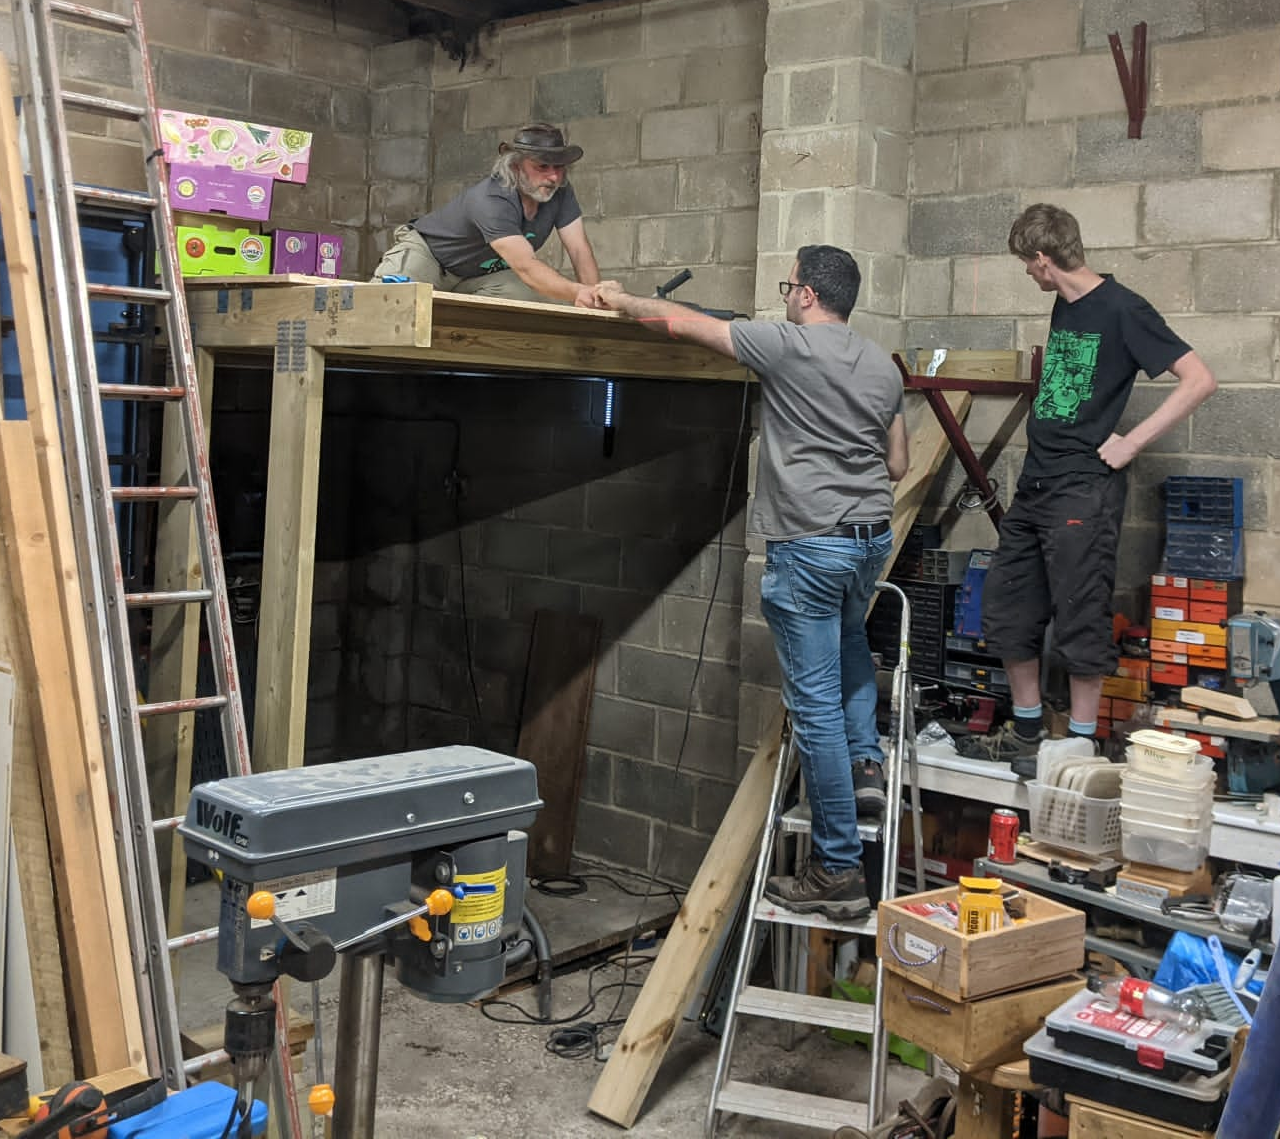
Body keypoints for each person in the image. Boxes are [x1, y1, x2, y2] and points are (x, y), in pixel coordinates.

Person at [596, 247, 907, 920]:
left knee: (815, 709)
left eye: (788, 284)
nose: (786, 294)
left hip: (811, 546)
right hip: (868, 539)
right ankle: (866, 769)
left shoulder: (786, 346)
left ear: (805, 294)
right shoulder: (883, 364)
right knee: (851, 643)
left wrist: (621, 301)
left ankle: (837, 870)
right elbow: (900, 463)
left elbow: (682, 325)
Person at [959, 203, 1216, 765]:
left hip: (1085, 488)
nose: (1028, 274)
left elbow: (1199, 378)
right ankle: (1027, 732)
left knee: (1080, 613)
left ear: (1044, 260)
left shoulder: (1125, 309)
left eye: (1028, 265)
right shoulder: (1063, 304)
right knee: (1007, 607)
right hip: (1037, 483)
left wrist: (1131, 442)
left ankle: (1077, 744)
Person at [374, 123, 611, 307]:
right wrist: (579, 292)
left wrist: (596, 302)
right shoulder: (493, 199)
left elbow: (580, 250)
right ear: (515, 166)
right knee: (386, 305)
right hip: (431, 259)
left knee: (534, 297)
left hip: (479, 276)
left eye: (559, 167)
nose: (554, 177)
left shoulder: (560, 192)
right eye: (542, 166)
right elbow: (526, 267)